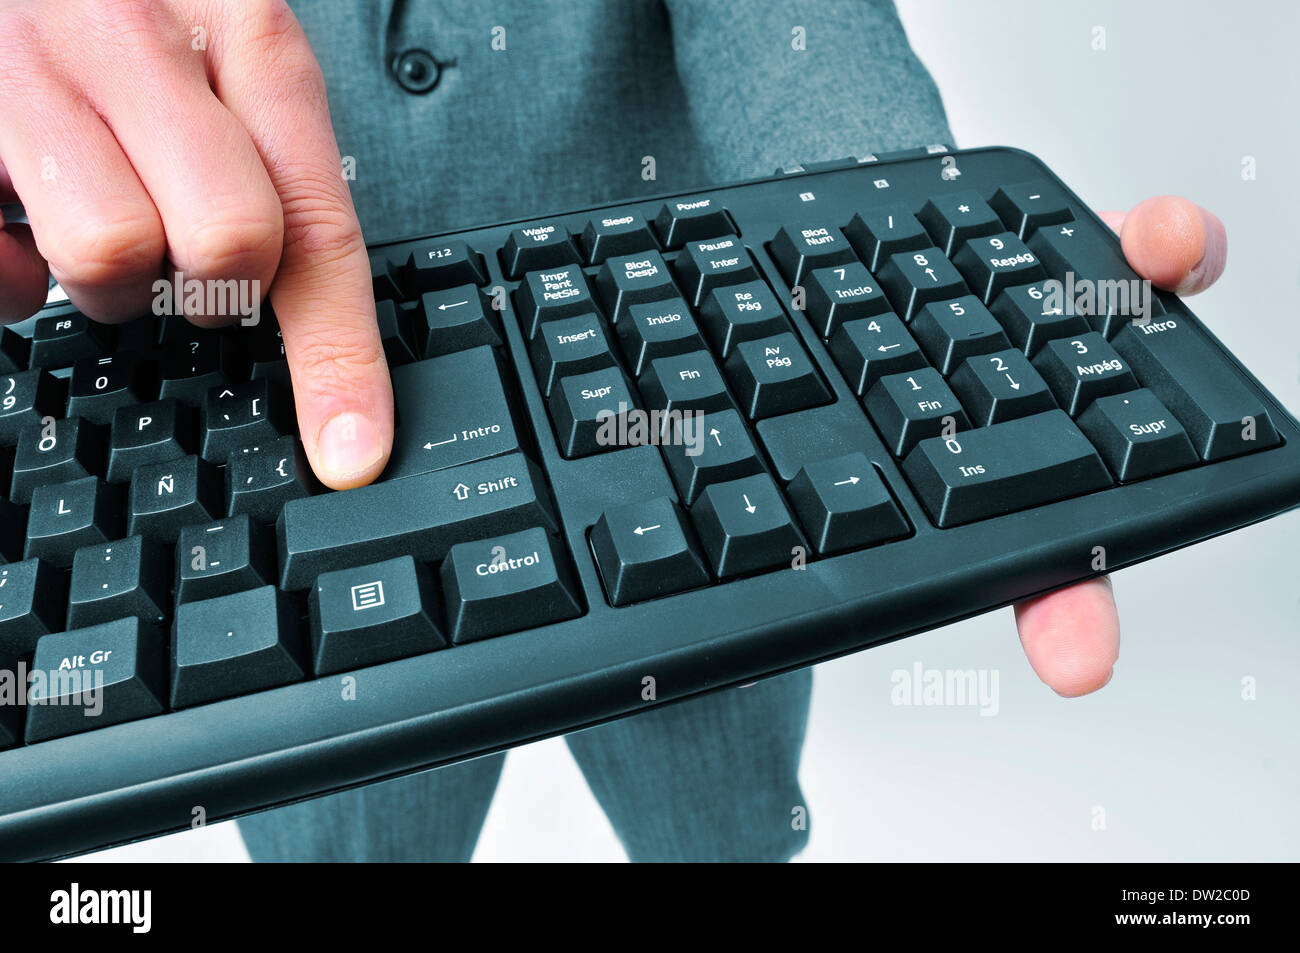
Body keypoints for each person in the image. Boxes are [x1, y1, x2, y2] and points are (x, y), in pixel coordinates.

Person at [0, 0, 1226, 862]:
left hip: (693, 434)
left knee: (726, 828)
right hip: (259, 459)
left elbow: (786, 31)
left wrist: (896, 256)